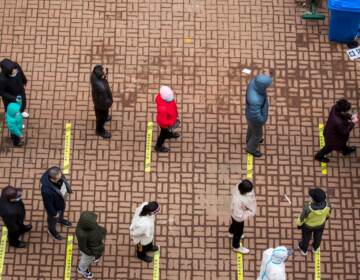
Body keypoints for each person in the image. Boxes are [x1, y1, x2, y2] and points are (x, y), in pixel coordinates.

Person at [315, 98, 358, 163]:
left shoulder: (335, 108)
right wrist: (353, 122)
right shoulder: (338, 122)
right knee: (328, 148)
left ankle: (345, 151)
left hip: (335, 135)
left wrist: (351, 116)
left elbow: (343, 115)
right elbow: (345, 131)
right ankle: (318, 156)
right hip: (333, 139)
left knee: (342, 143)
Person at [40, 166, 73, 240]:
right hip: (54, 208)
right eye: (58, 178)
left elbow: (63, 180)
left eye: (60, 175)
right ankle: (51, 231)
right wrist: (54, 213)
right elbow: (48, 204)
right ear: (52, 179)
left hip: (60, 202)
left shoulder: (56, 171)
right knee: (52, 220)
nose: (61, 178)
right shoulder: (46, 191)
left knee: (61, 212)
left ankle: (60, 220)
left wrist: (68, 189)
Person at [297, 188, 331, 256]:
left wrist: (299, 224)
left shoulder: (308, 208)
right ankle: (315, 248)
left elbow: (301, 218)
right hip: (320, 225)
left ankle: (304, 250)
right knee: (318, 237)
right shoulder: (328, 205)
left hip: (308, 226)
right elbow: (328, 215)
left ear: (313, 199)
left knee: (306, 238)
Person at [245, 74, 273, 157]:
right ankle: (251, 149)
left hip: (249, 115)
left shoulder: (253, 84)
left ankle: (249, 139)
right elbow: (256, 116)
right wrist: (262, 120)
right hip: (255, 119)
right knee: (257, 134)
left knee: (251, 127)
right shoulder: (255, 100)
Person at [76, 211, 107, 279]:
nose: (95, 222)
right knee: (85, 261)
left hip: (94, 245)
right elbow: (83, 247)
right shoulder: (82, 235)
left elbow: (97, 228)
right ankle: (82, 270)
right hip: (89, 251)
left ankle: (94, 258)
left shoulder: (88, 225)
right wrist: (90, 254)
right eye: (93, 221)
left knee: (93, 256)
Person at [229, 179, 257, 254]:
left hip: (233, 214)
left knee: (234, 224)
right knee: (238, 232)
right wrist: (248, 213)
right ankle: (236, 246)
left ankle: (231, 232)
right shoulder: (238, 202)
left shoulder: (238, 185)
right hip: (237, 217)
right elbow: (239, 216)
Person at [90, 65, 113, 139]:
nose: (104, 72)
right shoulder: (101, 88)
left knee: (101, 113)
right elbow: (105, 101)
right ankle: (100, 130)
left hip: (97, 100)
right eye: (103, 72)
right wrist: (110, 102)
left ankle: (105, 117)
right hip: (101, 104)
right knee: (101, 117)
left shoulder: (93, 76)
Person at [155, 86, 180, 153]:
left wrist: (176, 114)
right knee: (163, 135)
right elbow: (162, 121)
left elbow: (173, 105)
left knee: (166, 132)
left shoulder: (165, 97)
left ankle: (168, 134)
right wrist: (171, 123)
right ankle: (158, 146)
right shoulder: (162, 109)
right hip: (165, 124)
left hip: (170, 119)